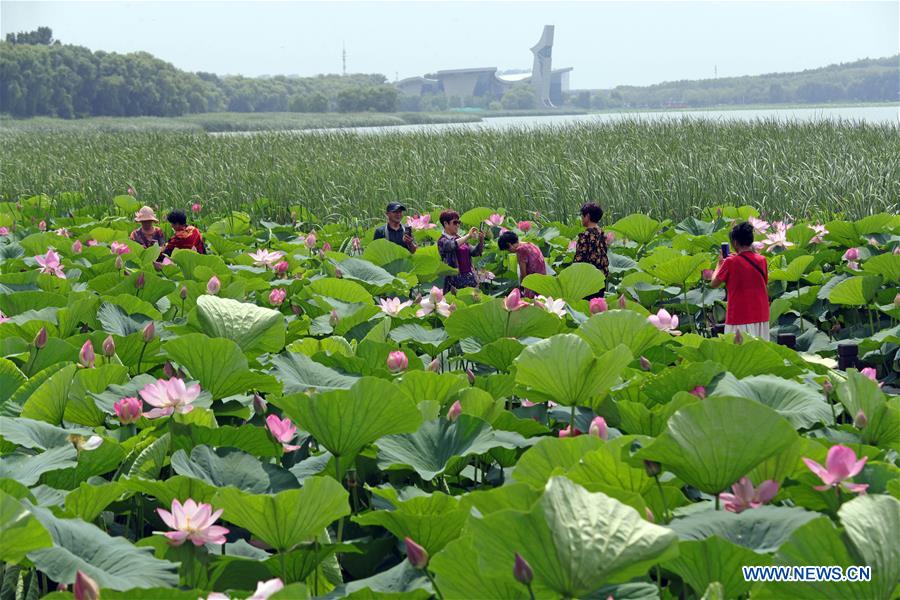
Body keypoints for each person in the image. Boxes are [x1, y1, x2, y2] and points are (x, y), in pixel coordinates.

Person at [710, 221, 770, 339]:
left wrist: (719, 264)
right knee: (760, 351)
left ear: (735, 242)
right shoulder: (762, 260)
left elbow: (713, 283)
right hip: (761, 315)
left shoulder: (730, 262)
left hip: (739, 317)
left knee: (738, 353)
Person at [437, 210, 484, 292]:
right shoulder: (442, 241)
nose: (458, 225)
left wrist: (481, 241)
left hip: (470, 279)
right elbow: (451, 245)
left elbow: (475, 252)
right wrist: (468, 236)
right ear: (446, 224)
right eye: (455, 222)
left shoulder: (461, 239)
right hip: (454, 282)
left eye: (459, 222)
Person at [497, 231, 547, 298]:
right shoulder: (530, 244)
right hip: (542, 280)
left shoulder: (520, 250)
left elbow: (523, 273)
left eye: (507, 249)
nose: (509, 251)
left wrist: (520, 288)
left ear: (509, 244)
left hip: (533, 284)